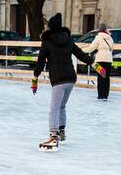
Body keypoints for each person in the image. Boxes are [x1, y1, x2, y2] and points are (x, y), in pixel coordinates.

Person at [31, 13, 95, 152]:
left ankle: (53, 135)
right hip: (71, 78)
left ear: (50, 28)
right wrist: (94, 63)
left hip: (58, 79)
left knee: (54, 107)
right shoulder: (68, 39)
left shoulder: (47, 41)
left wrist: (35, 78)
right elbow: (80, 54)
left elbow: (41, 61)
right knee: (61, 106)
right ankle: (61, 131)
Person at [83, 22, 114, 100]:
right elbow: (112, 49)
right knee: (107, 78)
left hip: (100, 60)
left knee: (100, 78)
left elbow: (91, 48)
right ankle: (105, 95)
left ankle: (101, 95)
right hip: (109, 60)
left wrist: (82, 50)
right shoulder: (110, 38)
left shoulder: (98, 37)